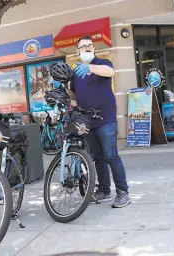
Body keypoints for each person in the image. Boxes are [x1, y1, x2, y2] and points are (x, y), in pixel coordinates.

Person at [55, 36, 130, 208]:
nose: (87, 48)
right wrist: (63, 92)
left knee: (111, 155)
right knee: (98, 158)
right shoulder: (75, 73)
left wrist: (90, 67)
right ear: (78, 51)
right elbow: (73, 95)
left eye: (89, 46)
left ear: (93, 48)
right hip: (86, 120)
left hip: (105, 118)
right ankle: (104, 191)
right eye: (83, 47)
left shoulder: (102, 63)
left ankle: (123, 192)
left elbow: (110, 72)